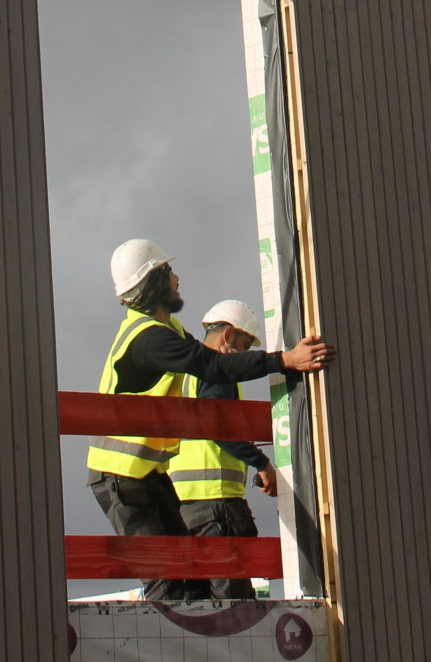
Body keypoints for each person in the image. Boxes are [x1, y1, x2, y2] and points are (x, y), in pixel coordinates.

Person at [86, 239, 334, 601]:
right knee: (167, 580)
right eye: (169, 272)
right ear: (154, 282)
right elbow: (213, 366)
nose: (178, 278)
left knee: (194, 577)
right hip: (122, 478)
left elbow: (207, 359)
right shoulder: (151, 339)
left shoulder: (161, 332)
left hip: (144, 475)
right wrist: (286, 360)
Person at [168, 300, 277, 600]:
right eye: (243, 346)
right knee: (234, 605)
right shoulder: (219, 370)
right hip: (218, 506)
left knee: (199, 604)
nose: (242, 356)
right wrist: (262, 464)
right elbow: (218, 429)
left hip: (185, 508)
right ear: (227, 336)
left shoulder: (185, 373)